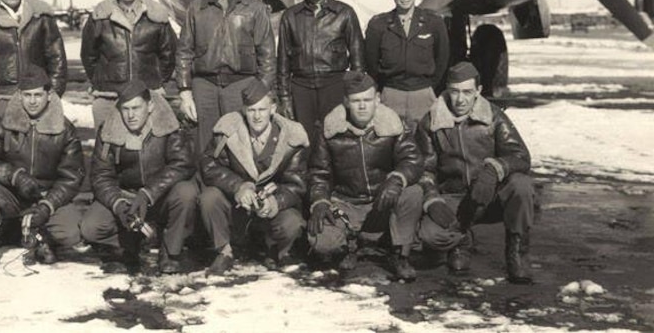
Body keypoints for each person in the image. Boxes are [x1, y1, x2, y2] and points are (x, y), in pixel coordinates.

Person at [416, 61, 534, 284]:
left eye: (467, 92)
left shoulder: (494, 117)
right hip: (455, 199)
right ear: (447, 90)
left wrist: (494, 170)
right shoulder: (430, 122)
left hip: (490, 195)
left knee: (522, 186)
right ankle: (461, 241)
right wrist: (432, 200)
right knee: (429, 236)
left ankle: (517, 252)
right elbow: (424, 168)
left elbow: (521, 157)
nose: (460, 100)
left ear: (478, 91)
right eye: (455, 92)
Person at [0, 69, 85, 274]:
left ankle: (41, 236)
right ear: (20, 96)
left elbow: (72, 177)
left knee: (70, 232)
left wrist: (48, 205)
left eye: (38, 95)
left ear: (49, 96)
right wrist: (14, 175)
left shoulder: (65, 130)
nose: (32, 101)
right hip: (13, 194)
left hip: (46, 196)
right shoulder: (5, 122)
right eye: (27, 95)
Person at [307, 71, 422, 281]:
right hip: (347, 203)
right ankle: (351, 244)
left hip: (382, 201)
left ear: (377, 99)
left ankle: (400, 254)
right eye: (356, 101)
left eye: (367, 100)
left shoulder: (393, 125)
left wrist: (396, 179)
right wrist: (320, 201)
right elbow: (318, 172)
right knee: (320, 242)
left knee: (412, 192)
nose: (362, 106)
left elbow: (412, 160)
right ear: (346, 102)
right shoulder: (330, 130)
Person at [80, 80, 198, 274]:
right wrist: (118, 205)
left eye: (136, 108)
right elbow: (101, 175)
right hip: (126, 197)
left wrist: (148, 193)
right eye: (125, 109)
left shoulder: (169, 126)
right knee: (91, 227)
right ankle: (129, 244)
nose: (131, 115)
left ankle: (170, 251)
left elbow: (183, 164)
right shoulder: (108, 130)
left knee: (186, 192)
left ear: (150, 106)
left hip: (160, 196)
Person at [200, 79, 309, 274]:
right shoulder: (228, 131)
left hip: (271, 209)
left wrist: (275, 201)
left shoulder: (292, 137)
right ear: (244, 110)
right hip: (239, 207)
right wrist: (239, 186)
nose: (257, 116)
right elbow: (209, 166)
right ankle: (224, 252)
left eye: (262, 110)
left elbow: (297, 184)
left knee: (292, 223)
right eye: (251, 111)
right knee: (209, 198)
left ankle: (278, 252)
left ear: (273, 109)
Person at [176, 0, 276, 154]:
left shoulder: (255, 8)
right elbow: (184, 51)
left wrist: (259, 94)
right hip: (205, 86)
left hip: (241, 85)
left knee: (239, 146)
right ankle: (206, 187)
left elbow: (267, 57)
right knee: (205, 146)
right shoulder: (196, 8)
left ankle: (242, 186)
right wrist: (185, 92)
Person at [80, 0, 177, 133]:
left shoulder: (157, 16)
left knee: (148, 150)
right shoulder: (100, 16)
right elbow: (89, 55)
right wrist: (103, 81)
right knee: (107, 150)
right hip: (109, 97)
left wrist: (155, 82)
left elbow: (168, 54)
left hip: (147, 96)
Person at [277, 0, 364, 145]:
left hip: (334, 85)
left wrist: (355, 94)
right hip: (301, 88)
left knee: (335, 138)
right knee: (303, 141)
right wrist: (284, 98)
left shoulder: (344, 13)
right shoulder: (290, 16)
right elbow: (282, 62)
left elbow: (358, 58)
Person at [364, 0, 449, 128]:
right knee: (390, 139)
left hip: (423, 92)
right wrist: (384, 89)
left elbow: (443, 58)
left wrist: (430, 88)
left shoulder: (434, 22)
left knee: (425, 141)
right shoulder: (379, 25)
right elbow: (371, 62)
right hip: (391, 93)